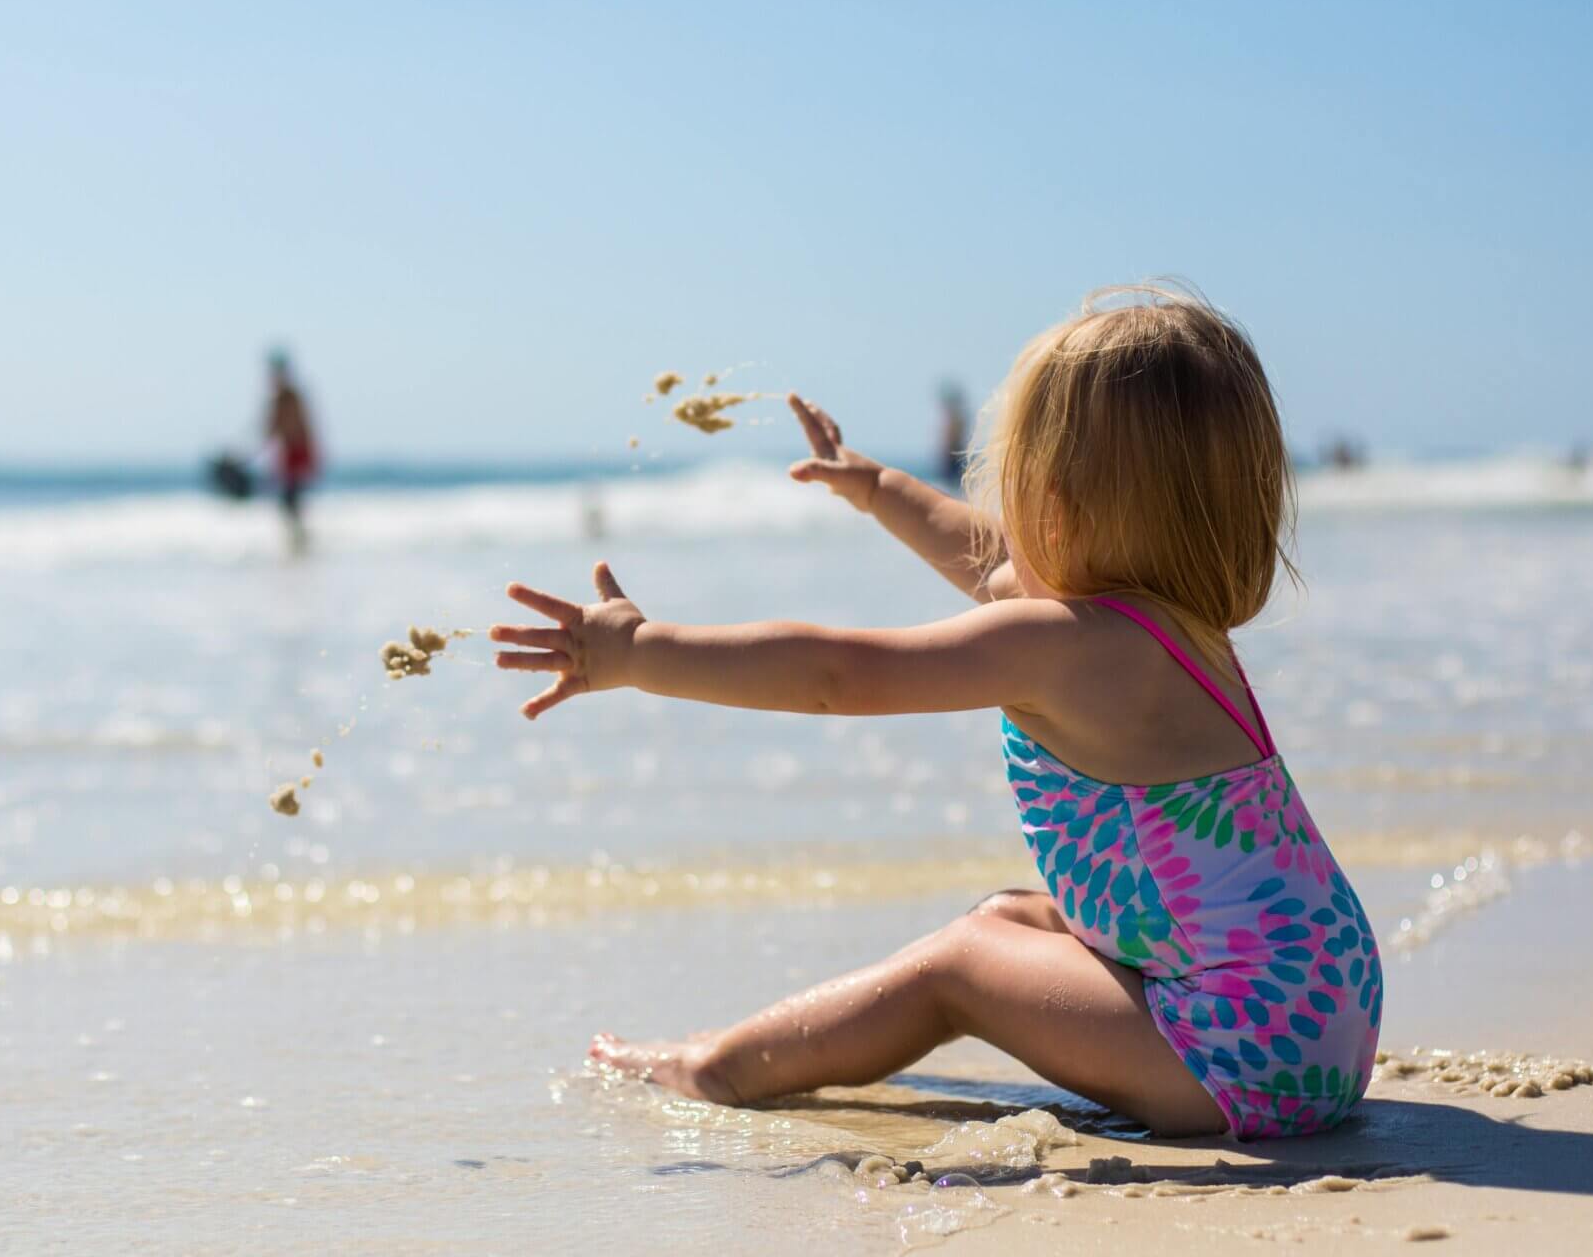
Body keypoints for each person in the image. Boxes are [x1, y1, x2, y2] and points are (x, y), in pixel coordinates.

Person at [490, 286, 1382, 1140]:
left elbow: (838, 674)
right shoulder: (1172, 629)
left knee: (958, 966)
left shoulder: (1070, 647)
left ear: (1058, 512)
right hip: (1320, 1012)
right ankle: (759, 1053)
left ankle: (715, 1066)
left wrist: (640, 653)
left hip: (1244, 1055)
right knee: (1008, 917)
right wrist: (876, 487)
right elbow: (988, 559)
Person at [261, 348, 320, 550]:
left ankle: (300, 543)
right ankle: (299, 541)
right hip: (290, 454)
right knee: (289, 502)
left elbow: (289, 428)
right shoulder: (282, 397)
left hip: (297, 453)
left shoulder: (289, 397)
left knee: (291, 500)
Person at [937, 381, 971, 487]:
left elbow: (950, 439)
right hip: (956, 455)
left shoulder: (955, 418)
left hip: (954, 455)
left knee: (953, 484)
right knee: (955, 485)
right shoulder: (956, 417)